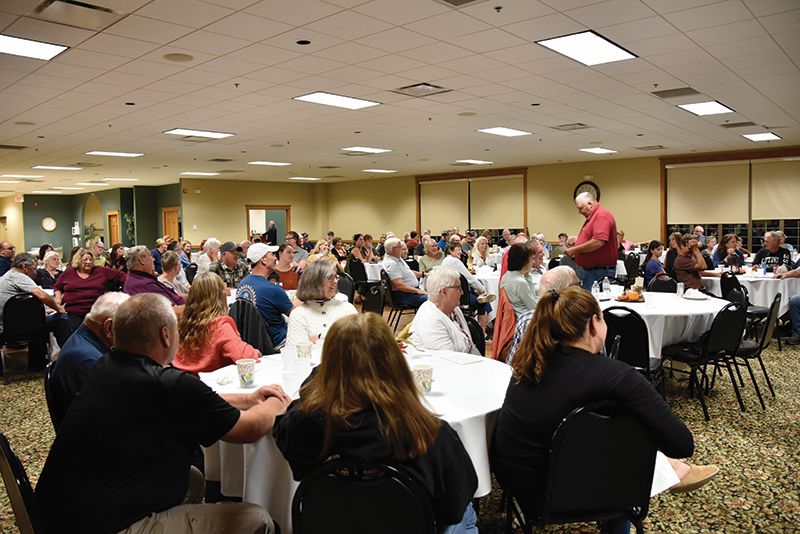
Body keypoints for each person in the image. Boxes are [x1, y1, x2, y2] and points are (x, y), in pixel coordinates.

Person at [35, 293, 289, 534]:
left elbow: (192, 402)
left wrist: (248, 399)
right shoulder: (167, 384)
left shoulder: (106, 365)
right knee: (255, 519)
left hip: (62, 512)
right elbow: (249, 428)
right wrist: (278, 402)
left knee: (192, 479)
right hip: (107, 526)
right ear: (166, 335)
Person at [491, 287, 717, 529]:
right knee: (621, 433)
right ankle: (669, 469)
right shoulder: (617, 376)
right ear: (593, 324)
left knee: (598, 426)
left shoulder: (529, 363)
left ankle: (668, 468)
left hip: (514, 484)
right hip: (563, 493)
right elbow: (682, 443)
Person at [273, 313, 479, 533]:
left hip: (331, 523)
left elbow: (289, 429)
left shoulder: (304, 425)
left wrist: (325, 378)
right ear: (395, 362)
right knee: (467, 514)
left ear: (329, 366)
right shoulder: (429, 432)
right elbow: (453, 508)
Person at [49, 292, 130, 425]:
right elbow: (117, 414)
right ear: (109, 327)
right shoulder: (89, 361)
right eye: (130, 330)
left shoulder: (84, 339)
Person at [173, 273, 260, 375]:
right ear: (222, 295)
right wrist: (255, 352)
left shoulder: (183, 321)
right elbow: (245, 358)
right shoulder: (219, 326)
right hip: (209, 382)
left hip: (180, 379)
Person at [0, 253, 72, 371]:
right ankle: (72, 358)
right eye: (33, 268)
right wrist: (58, 309)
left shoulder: (5, 277)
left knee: (41, 320)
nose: (35, 272)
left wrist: (42, 311)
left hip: (7, 327)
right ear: (24, 266)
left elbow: (15, 307)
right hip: (14, 328)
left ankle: (37, 363)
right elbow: (41, 295)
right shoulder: (18, 276)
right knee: (61, 319)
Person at [506, 266, 581, 365]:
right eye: (578, 284)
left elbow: (512, 363)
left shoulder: (526, 320)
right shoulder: (582, 320)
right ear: (570, 290)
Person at [409, 267, 480, 355]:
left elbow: (471, 346)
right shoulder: (430, 319)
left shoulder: (454, 309)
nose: (462, 292)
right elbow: (448, 357)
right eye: (458, 288)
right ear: (444, 292)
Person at [285, 261, 357, 346]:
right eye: (330, 277)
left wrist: (319, 338)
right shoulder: (299, 314)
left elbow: (358, 343)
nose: (335, 281)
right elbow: (295, 350)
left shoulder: (347, 309)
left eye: (336, 277)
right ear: (315, 282)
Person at [237, 243, 295, 347]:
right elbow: (296, 315)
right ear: (263, 259)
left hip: (253, 343)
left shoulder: (242, 285)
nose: (275, 258)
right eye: (272, 255)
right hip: (278, 343)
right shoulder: (272, 289)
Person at [55, 248, 127, 331]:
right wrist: (58, 300)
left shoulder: (100, 271)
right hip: (74, 312)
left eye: (91, 260)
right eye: (85, 260)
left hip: (95, 312)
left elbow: (122, 276)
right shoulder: (69, 272)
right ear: (78, 261)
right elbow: (57, 287)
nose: (88, 262)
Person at [565, 192, 618, 290]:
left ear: (590, 204)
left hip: (598, 271)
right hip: (592, 270)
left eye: (581, 208)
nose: (579, 212)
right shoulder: (594, 216)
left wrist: (575, 250)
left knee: (595, 298)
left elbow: (598, 242)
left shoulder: (601, 215)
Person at [441, 243, 494, 333]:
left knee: (479, 295)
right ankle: (482, 333)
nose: (461, 252)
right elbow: (470, 279)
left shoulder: (445, 261)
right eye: (458, 250)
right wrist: (482, 289)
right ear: (450, 250)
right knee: (484, 302)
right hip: (460, 297)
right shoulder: (455, 261)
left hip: (449, 294)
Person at [382, 237, 427, 309]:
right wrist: (417, 291)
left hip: (409, 293)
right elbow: (399, 285)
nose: (402, 248)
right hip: (404, 296)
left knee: (436, 296)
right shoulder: (391, 263)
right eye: (400, 247)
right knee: (433, 299)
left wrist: (424, 274)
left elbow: (408, 272)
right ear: (393, 249)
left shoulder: (397, 258)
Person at [500, 242, 540, 318]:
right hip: (526, 318)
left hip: (517, 316)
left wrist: (527, 275)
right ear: (524, 261)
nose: (533, 262)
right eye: (532, 258)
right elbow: (534, 308)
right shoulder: (520, 282)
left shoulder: (507, 276)